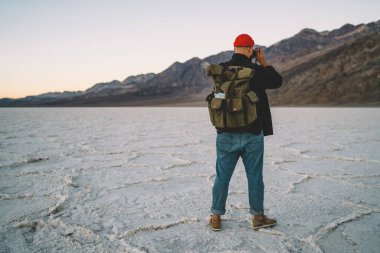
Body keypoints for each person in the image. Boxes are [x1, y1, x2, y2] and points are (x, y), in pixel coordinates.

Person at [209, 34, 282, 231]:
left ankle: (216, 217)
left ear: (234, 47)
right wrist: (263, 62)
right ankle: (258, 218)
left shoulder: (221, 70)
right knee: (255, 177)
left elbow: (218, 98)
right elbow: (277, 81)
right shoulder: (256, 70)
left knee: (222, 177)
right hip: (253, 133)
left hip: (225, 134)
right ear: (251, 49)